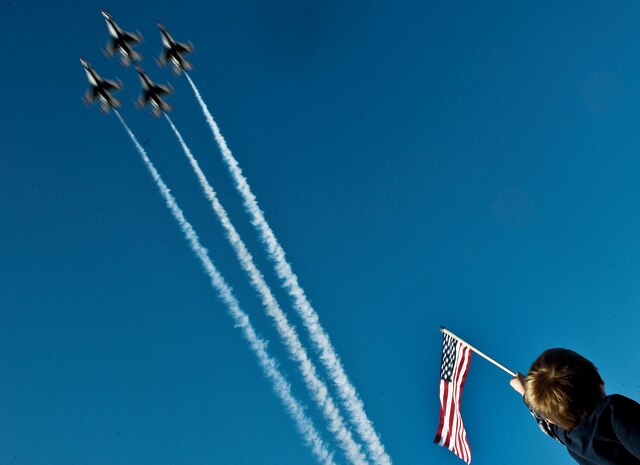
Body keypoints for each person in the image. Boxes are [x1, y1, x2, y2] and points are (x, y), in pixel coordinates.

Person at [510, 348, 640, 465]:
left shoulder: (573, 441)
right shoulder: (614, 411)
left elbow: (550, 427)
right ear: (599, 378)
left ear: (552, 419)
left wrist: (527, 396)